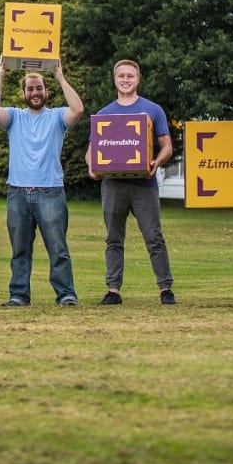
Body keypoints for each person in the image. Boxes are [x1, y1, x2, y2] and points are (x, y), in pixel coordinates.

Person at [0, 56, 85, 307]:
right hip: (18, 193)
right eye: (30, 88)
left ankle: (66, 294)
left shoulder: (58, 116)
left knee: (58, 249)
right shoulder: (14, 118)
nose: (35, 92)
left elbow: (78, 110)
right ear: (24, 93)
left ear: (46, 91)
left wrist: (60, 75)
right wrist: (1, 75)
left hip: (50, 192)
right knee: (20, 251)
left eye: (39, 87)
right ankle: (19, 295)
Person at [89, 59, 176, 306]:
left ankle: (165, 288)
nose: (125, 80)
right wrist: (91, 167)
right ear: (115, 79)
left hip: (144, 185)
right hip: (113, 185)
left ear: (138, 79)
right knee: (113, 239)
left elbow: (167, 146)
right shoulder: (104, 114)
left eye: (130, 76)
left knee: (154, 237)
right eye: (121, 76)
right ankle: (113, 290)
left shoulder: (152, 109)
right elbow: (92, 148)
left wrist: (156, 163)